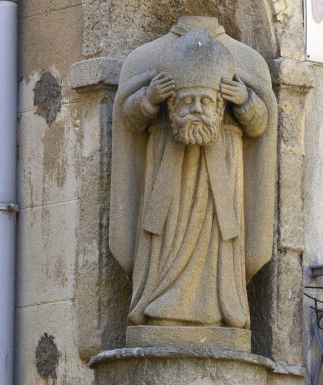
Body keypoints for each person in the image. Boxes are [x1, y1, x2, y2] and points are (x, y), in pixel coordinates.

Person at [109, 16, 277, 329]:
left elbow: (260, 125)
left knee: (218, 242)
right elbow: (129, 121)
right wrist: (150, 97)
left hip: (223, 176)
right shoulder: (145, 60)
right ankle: (157, 305)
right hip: (167, 174)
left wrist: (245, 100)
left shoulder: (247, 61)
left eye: (205, 101)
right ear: (174, 104)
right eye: (187, 101)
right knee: (165, 236)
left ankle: (217, 312)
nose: (197, 108)